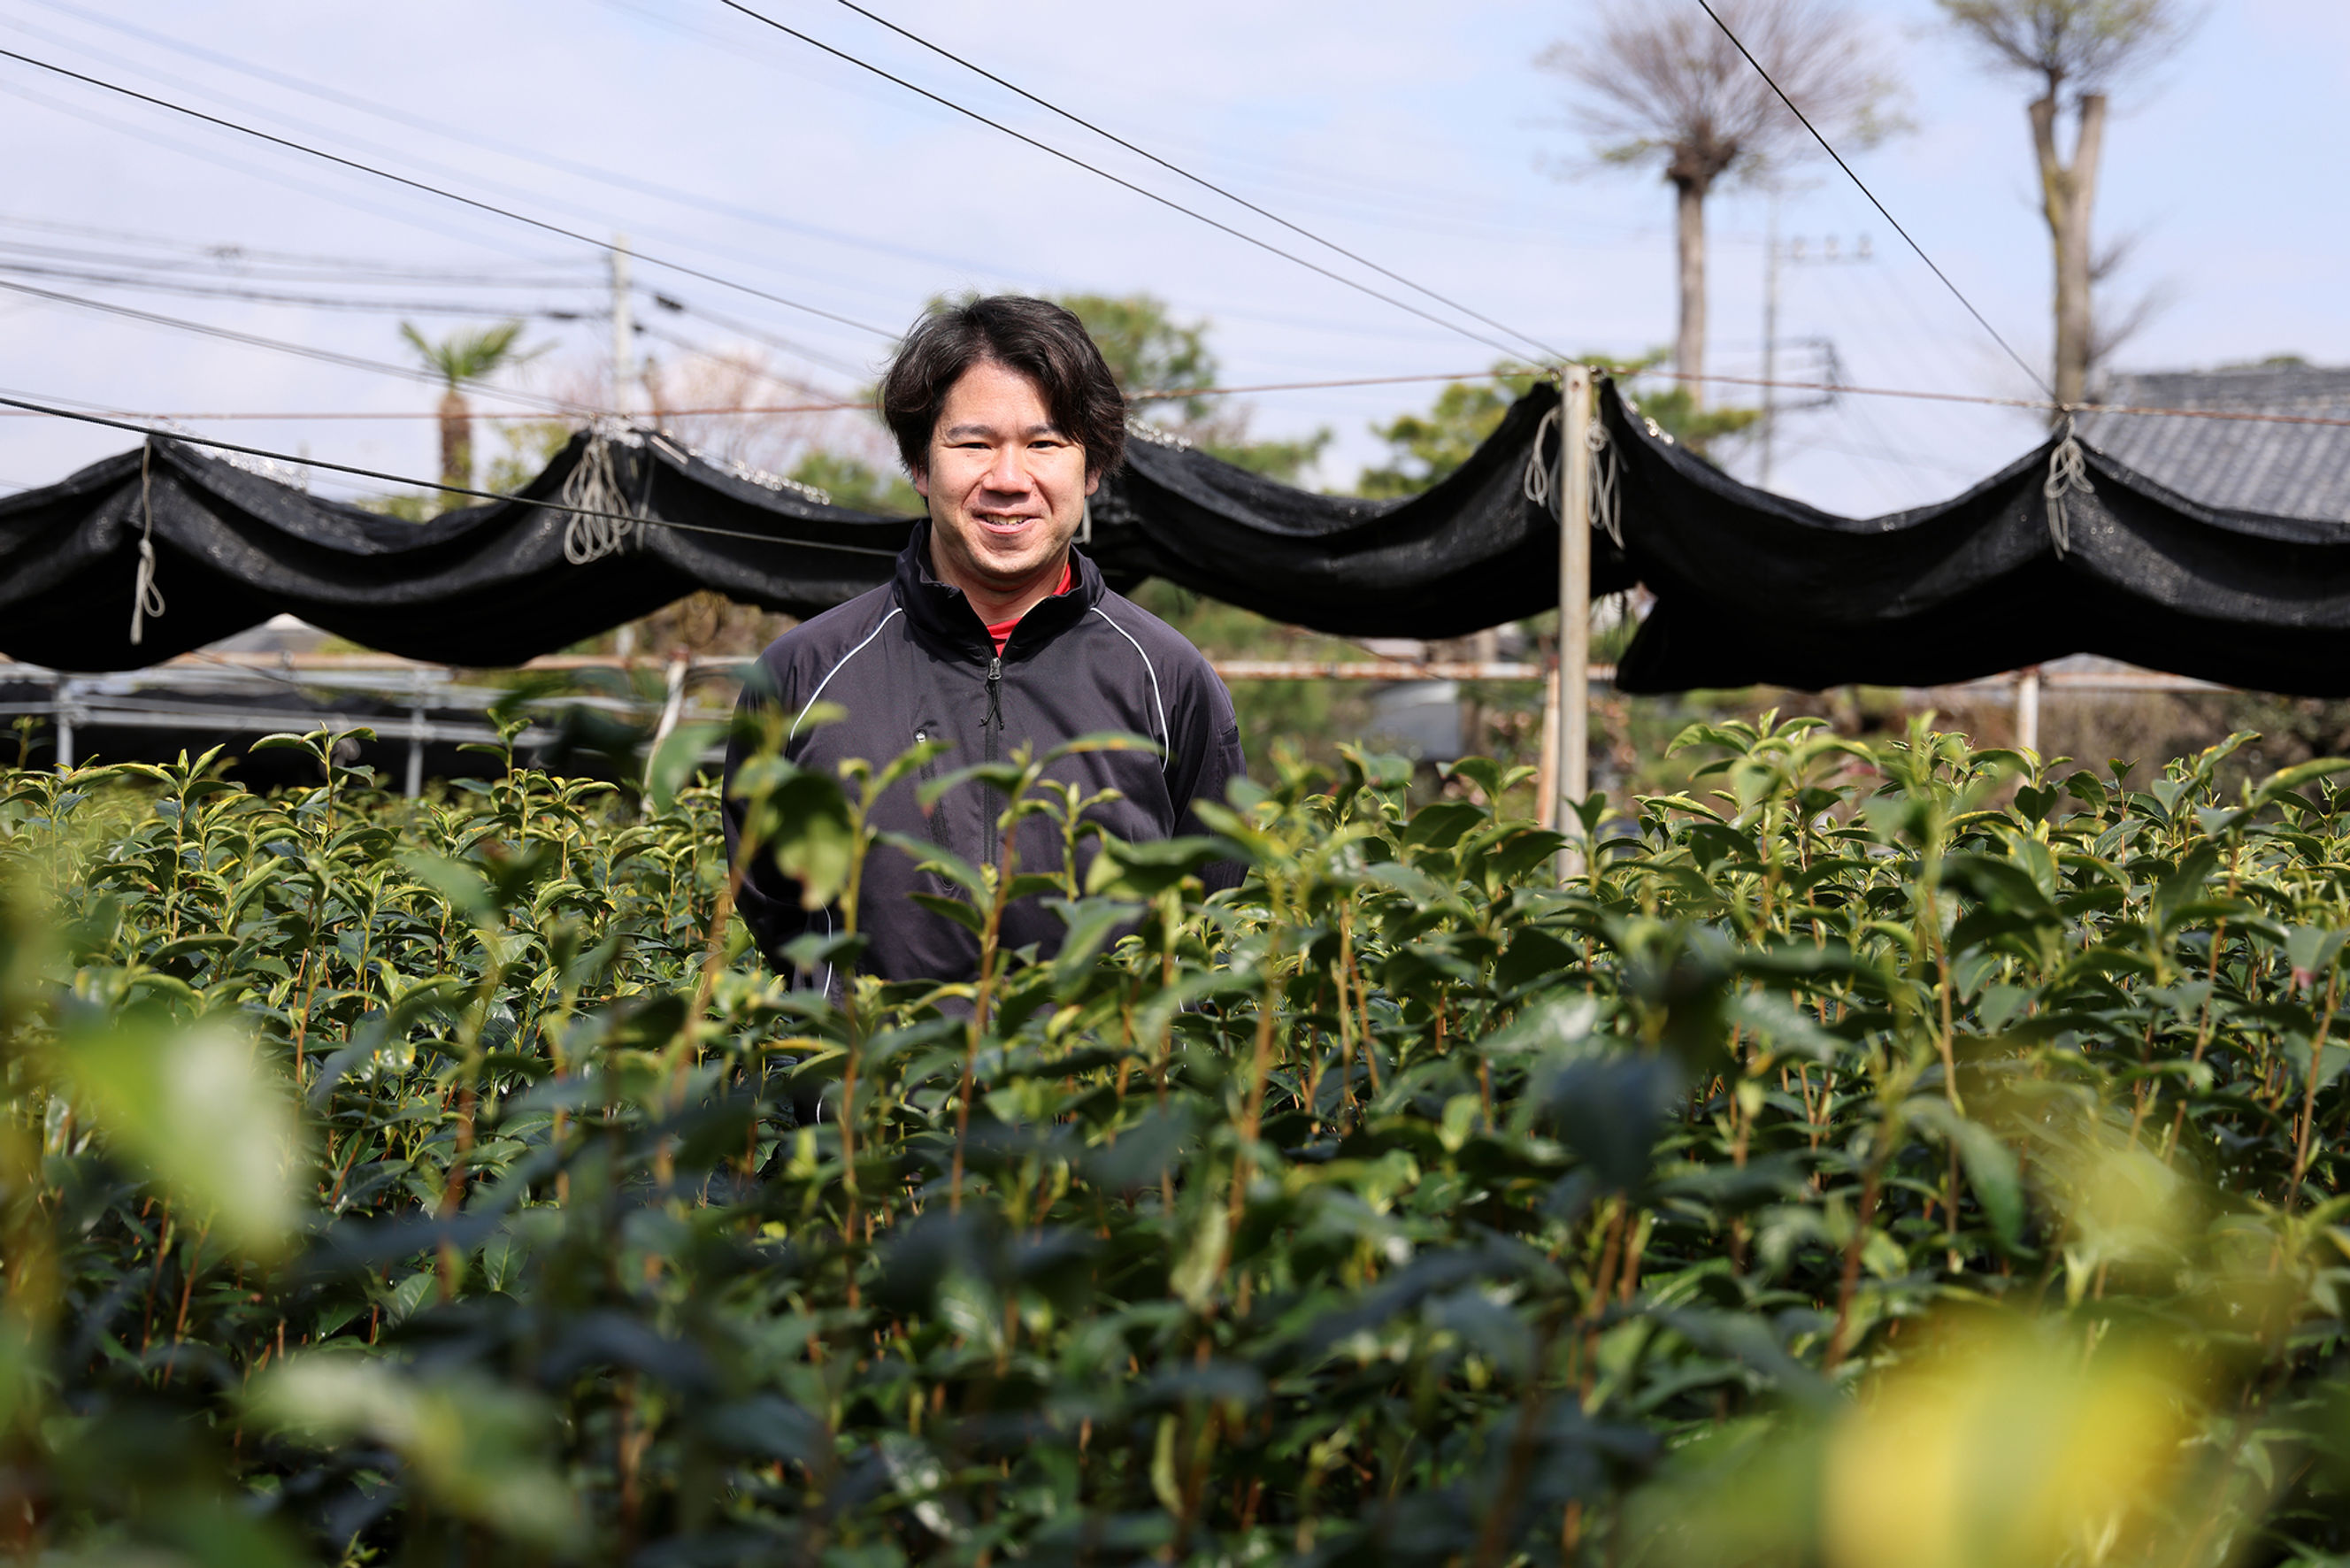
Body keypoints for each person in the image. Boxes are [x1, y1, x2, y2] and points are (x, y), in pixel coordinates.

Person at [722, 295, 1246, 988]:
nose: (1007, 480)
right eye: (973, 444)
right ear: (919, 465)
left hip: (1100, 1061)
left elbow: (1208, 909)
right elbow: (773, 906)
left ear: (1091, 469)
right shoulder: (804, 673)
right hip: (871, 1060)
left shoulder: (1167, 677)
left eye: (1044, 444)